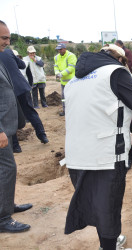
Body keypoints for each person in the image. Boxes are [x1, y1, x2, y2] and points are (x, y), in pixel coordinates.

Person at [63, 44, 132, 250]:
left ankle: (108, 245)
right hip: (105, 158)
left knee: (99, 208)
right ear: (122, 60)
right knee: (109, 210)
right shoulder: (115, 72)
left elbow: (91, 118)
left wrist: (130, 136)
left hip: (76, 157)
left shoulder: (75, 80)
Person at [0, 20, 32, 234]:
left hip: (7, 125)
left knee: (6, 169)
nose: (8, 42)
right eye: (4, 38)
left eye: (8, 37)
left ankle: (7, 206)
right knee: (7, 168)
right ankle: (3, 218)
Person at [0, 48, 49, 153]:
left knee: (9, 118)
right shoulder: (8, 51)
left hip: (7, 92)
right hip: (22, 88)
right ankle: (43, 136)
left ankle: (16, 147)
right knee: (31, 113)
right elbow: (22, 65)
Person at [54, 43, 77, 116]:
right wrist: (57, 73)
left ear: (65, 49)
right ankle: (65, 111)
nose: (59, 51)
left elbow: (71, 68)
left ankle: (74, 111)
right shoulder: (56, 57)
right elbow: (56, 66)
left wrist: (61, 74)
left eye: (61, 49)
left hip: (71, 81)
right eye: (58, 50)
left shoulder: (71, 56)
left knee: (72, 97)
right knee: (63, 97)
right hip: (63, 82)